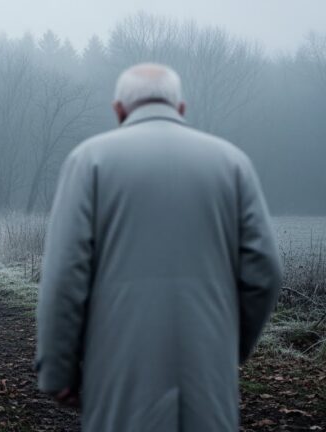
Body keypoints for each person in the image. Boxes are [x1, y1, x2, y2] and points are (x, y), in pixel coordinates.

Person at [34, 63, 282, 431]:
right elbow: (264, 272)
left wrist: (58, 371)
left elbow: (64, 277)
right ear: (181, 109)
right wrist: (228, 347)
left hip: (118, 374)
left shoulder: (90, 161)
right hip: (207, 376)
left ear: (118, 110)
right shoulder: (232, 163)